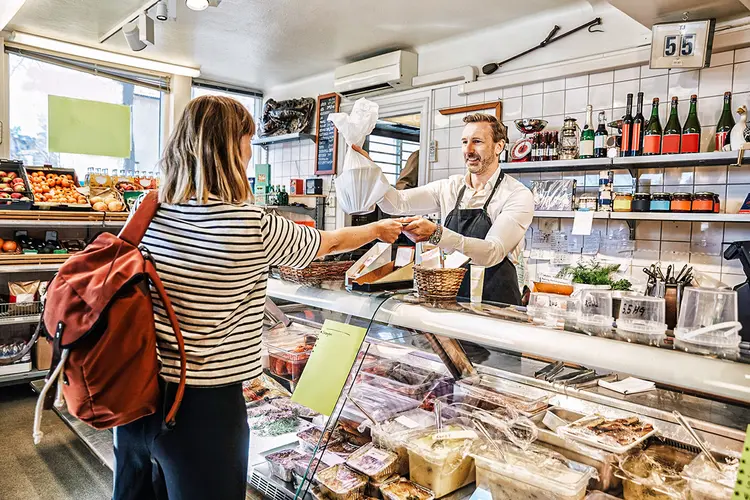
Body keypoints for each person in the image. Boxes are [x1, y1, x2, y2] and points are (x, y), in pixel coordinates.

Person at [112, 95, 403, 500]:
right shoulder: (250, 223)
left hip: (135, 394)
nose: (249, 154)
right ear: (231, 148)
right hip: (204, 407)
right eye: (247, 142)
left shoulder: (147, 211)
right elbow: (328, 243)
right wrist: (377, 229)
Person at [357, 113, 533, 305]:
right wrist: (369, 170)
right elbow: (397, 203)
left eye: (477, 141)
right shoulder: (449, 188)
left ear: (499, 146)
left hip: (498, 307)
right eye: (465, 142)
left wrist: (437, 233)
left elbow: (492, 252)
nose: (469, 150)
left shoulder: (517, 194)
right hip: (451, 302)